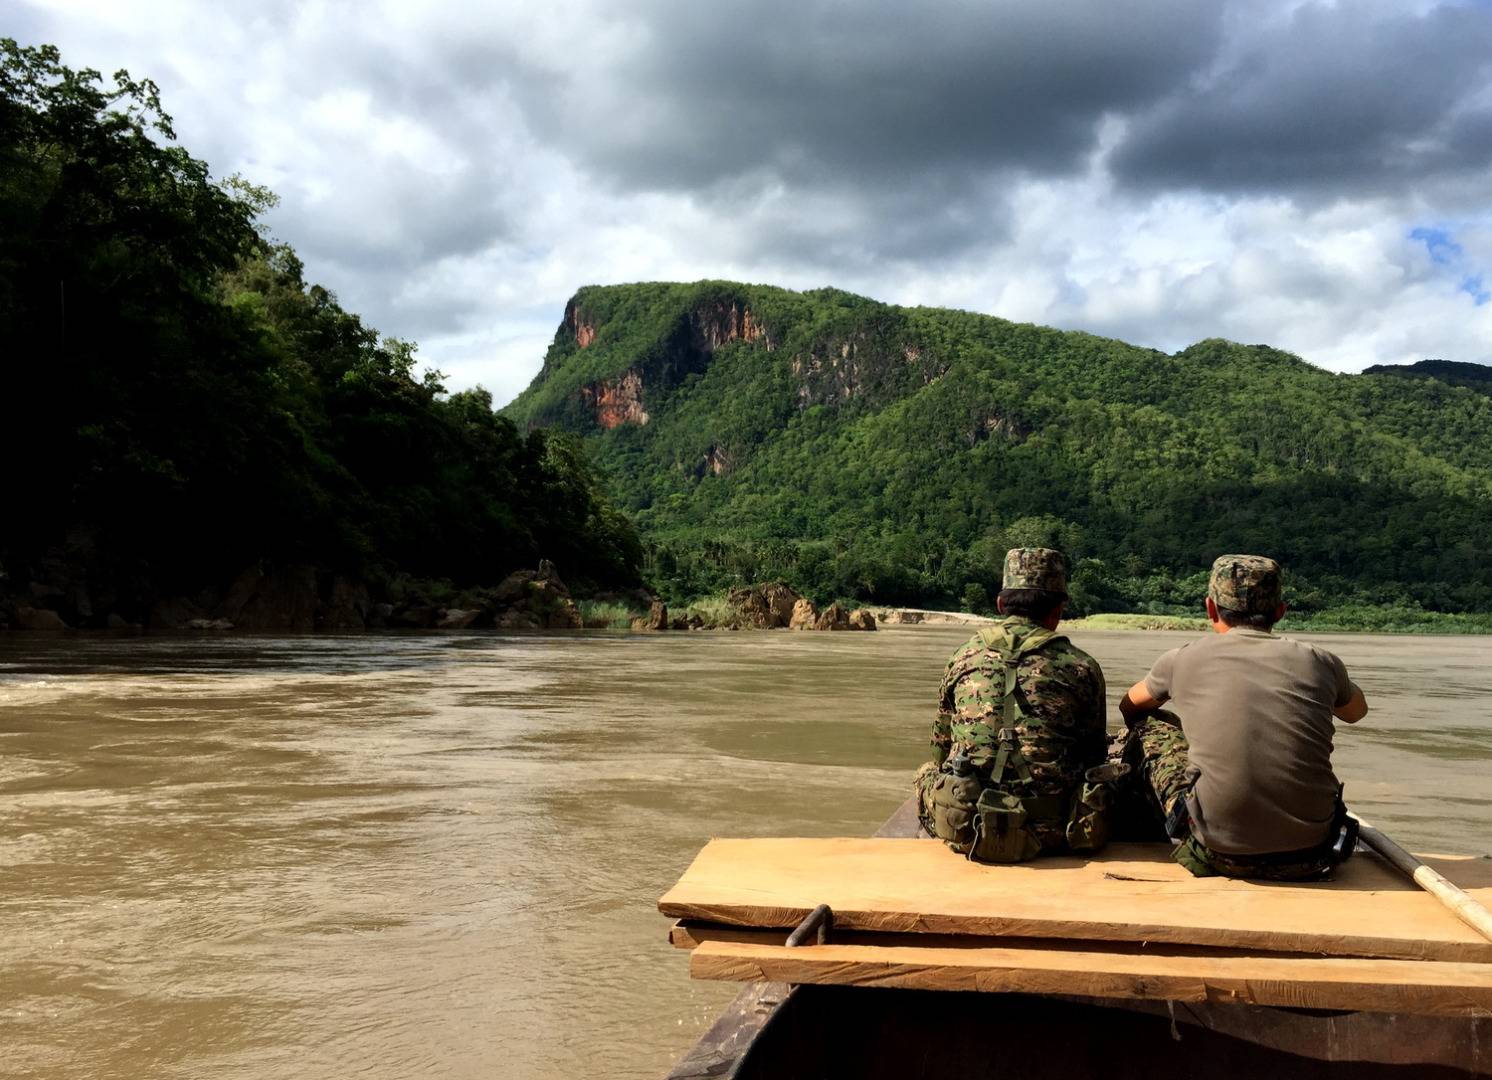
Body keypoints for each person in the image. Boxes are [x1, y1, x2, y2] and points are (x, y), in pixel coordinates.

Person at [1118, 554, 1369, 880]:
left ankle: (1138, 828)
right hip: (1314, 852)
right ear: (1280, 611)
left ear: (1210, 608)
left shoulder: (1181, 658)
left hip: (1217, 853)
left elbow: (1130, 706)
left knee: (1149, 727)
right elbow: (1356, 713)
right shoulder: (1319, 660)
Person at [915, 547, 1111, 860]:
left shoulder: (962, 657)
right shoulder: (1082, 666)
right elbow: (1094, 754)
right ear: (1058, 610)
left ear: (1000, 604)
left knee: (925, 772)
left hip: (970, 829)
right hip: (1056, 833)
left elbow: (940, 747)